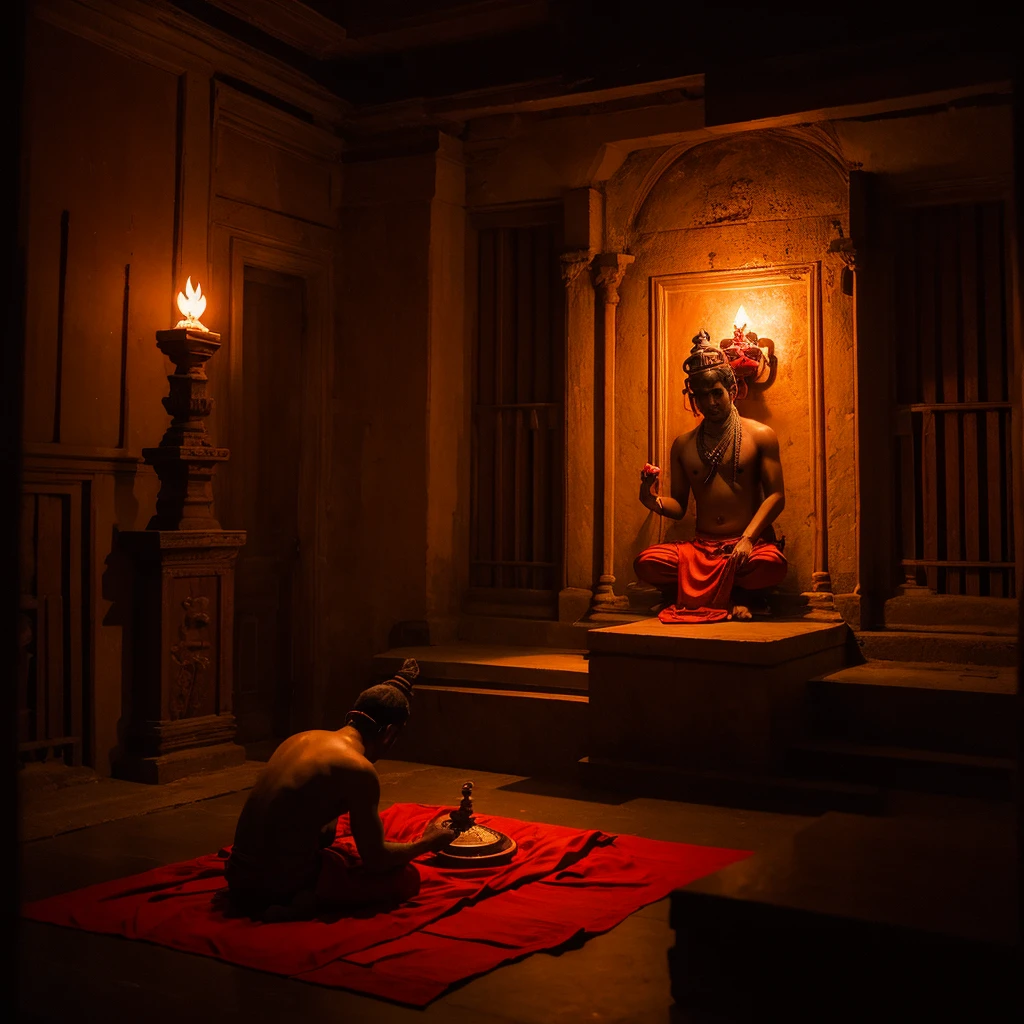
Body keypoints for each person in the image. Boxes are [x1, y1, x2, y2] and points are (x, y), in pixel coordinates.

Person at [224, 658, 457, 920]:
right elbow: (376, 860)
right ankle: (301, 901)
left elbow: (317, 826)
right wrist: (427, 842)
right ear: (390, 733)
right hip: (271, 886)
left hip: (236, 874)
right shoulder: (359, 768)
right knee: (406, 879)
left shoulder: (302, 738)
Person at [635, 330, 787, 623]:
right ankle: (715, 598)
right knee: (647, 562)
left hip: (745, 546)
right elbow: (679, 507)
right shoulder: (684, 444)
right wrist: (649, 498)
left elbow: (776, 496)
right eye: (701, 396)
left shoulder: (760, 435)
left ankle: (737, 596)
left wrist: (747, 539)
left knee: (771, 564)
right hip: (701, 549)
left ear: (732, 390)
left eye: (716, 393)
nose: (710, 403)